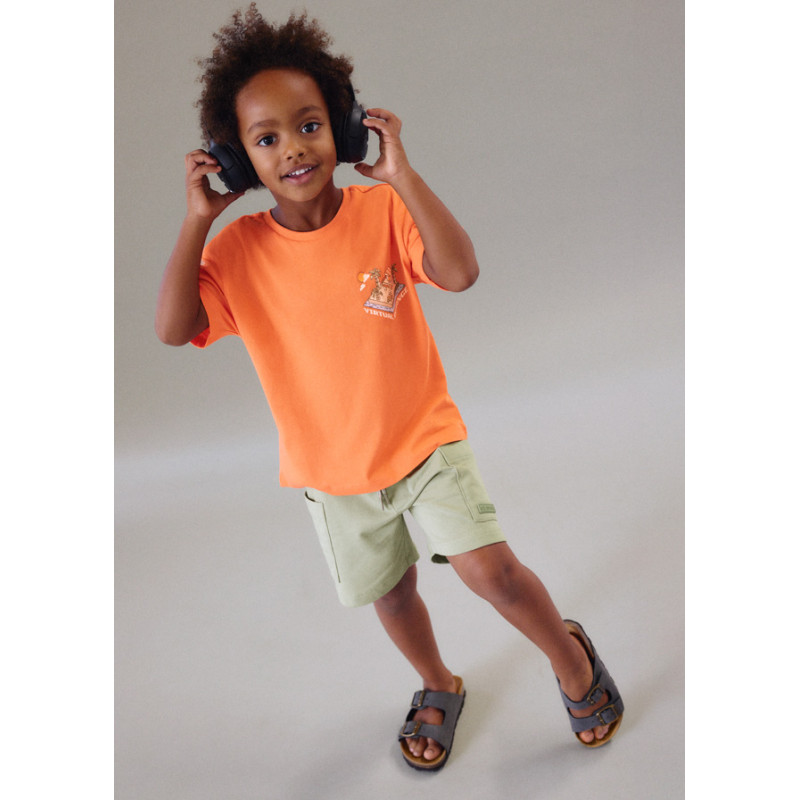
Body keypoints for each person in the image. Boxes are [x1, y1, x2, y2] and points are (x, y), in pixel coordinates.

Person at [155, 4, 623, 772]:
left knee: (491, 573)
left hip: (422, 441)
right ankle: (438, 681)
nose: (292, 147)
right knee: (394, 594)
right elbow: (175, 328)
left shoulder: (382, 211)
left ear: (342, 126)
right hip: (332, 471)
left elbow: (460, 272)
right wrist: (194, 224)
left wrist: (403, 175)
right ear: (235, 161)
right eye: (265, 140)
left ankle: (571, 658)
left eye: (310, 125)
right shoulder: (238, 253)